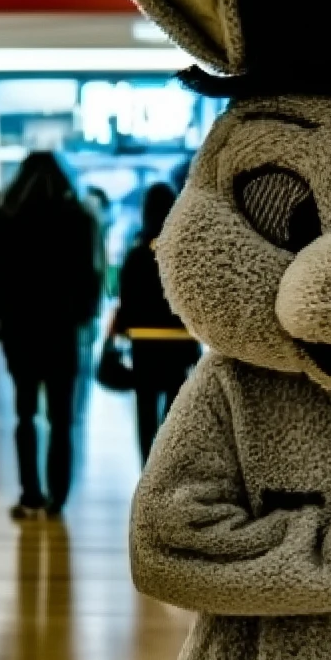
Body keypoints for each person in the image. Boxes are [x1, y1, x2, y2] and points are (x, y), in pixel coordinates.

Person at [0, 153, 103, 521]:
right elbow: (91, 275)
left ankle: (30, 493)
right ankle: (58, 498)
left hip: (19, 330)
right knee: (61, 418)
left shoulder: (2, 219)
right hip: (61, 330)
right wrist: (83, 316)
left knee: (24, 414)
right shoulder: (79, 218)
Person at [112, 183, 201, 462]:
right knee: (174, 411)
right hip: (179, 342)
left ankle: (147, 466)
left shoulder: (136, 254)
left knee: (145, 408)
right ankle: (168, 466)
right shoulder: (185, 254)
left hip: (144, 343)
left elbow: (125, 299)